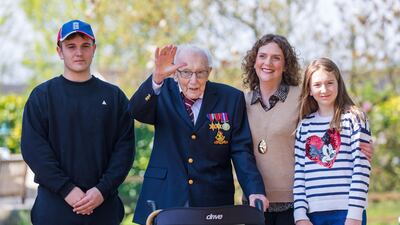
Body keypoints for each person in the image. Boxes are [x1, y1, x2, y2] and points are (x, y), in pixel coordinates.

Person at [129, 44, 268, 225]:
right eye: (186, 72)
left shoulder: (231, 98)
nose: (193, 80)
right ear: (175, 72)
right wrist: (157, 78)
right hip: (165, 197)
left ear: (209, 71)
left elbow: (241, 150)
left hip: (212, 199)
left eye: (200, 73)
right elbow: (135, 111)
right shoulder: (161, 90)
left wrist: (254, 189)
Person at [242, 34, 373, 225]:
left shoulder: (300, 97)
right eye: (262, 56)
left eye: (276, 57)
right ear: (254, 61)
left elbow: (354, 155)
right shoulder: (242, 102)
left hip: (294, 205)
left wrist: (365, 144)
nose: (268, 62)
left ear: (286, 64)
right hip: (258, 202)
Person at [21, 20, 135, 225]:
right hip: (54, 209)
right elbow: (33, 150)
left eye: (85, 46)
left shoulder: (114, 97)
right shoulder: (42, 96)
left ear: (94, 49)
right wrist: (66, 189)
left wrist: (102, 190)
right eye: (71, 46)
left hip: (103, 208)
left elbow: (124, 151)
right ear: (59, 51)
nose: (79, 53)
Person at [293, 57, 371, 225]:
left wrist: (355, 214)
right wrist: (300, 215)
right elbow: (299, 174)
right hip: (313, 215)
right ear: (309, 90)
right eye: (317, 84)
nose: (324, 89)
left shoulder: (354, 118)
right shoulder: (304, 126)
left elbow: (361, 168)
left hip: (347, 212)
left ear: (338, 84)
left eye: (330, 83)